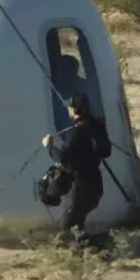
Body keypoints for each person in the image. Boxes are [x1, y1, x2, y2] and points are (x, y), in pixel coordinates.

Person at [42, 94, 110, 247]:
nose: (68, 110)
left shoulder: (76, 132)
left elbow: (62, 157)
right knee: (77, 222)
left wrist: (49, 147)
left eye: (70, 108)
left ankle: (102, 243)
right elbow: (106, 151)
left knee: (67, 226)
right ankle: (82, 256)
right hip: (95, 184)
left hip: (81, 186)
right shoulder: (98, 127)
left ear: (75, 110)